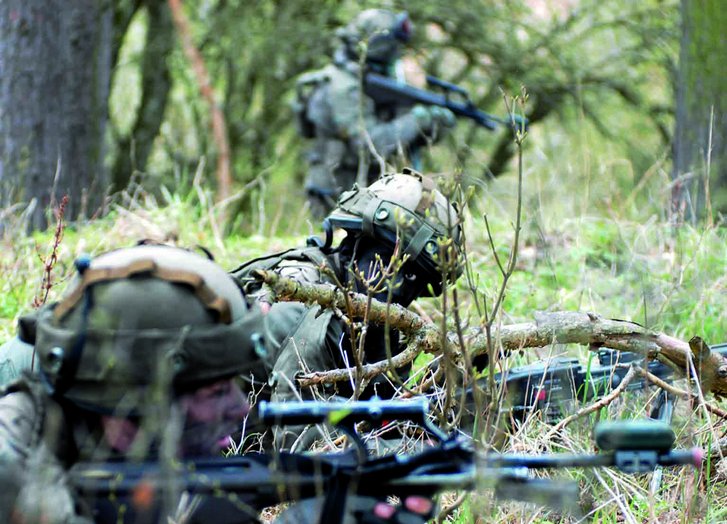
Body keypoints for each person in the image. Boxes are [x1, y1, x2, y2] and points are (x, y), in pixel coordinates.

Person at [0, 245, 269, 523]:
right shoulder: (14, 485)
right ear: (125, 413)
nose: (242, 408)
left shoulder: (86, 449)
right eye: (216, 392)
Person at [231, 169, 465, 449]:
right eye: (400, 268)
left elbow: (384, 414)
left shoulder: (368, 313)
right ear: (361, 242)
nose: (405, 290)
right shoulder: (309, 310)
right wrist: (420, 451)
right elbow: (308, 456)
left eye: (417, 278)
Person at [294, 9, 456, 218]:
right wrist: (417, 120)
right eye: (393, 45)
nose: (397, 51)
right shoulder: (343, 86)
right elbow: (369, 144)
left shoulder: (378, 82)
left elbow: (406, 138)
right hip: (336, 195)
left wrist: (434, 124)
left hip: (371, 195)